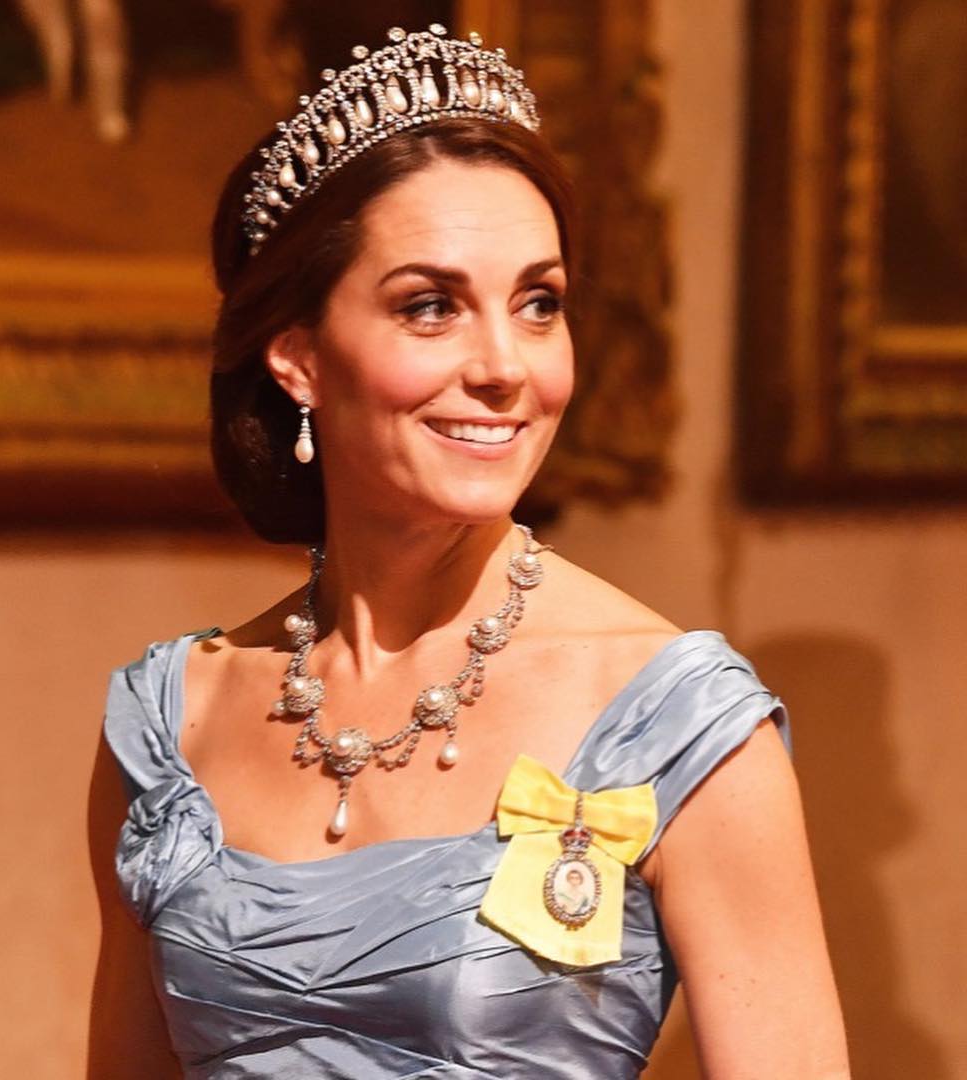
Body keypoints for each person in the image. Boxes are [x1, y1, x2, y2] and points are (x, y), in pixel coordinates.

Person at [87, 25, 850, 1080]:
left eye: (539, 305)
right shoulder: (173, 724)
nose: (504, 367)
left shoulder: (680, 726)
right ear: (297, 355)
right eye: (431, 307)